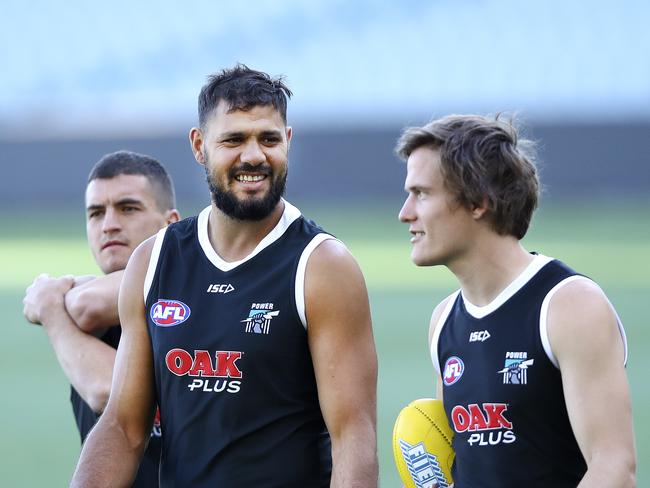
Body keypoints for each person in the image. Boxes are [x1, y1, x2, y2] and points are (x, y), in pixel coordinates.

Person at [71, 64, 378, 487]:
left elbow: (353, 438)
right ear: (199, 146)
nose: (253, 156)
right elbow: (123, 427)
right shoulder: (153, 261)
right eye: (233, 139)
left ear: (288, 142)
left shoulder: (322, 266)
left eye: (268, 139)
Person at [395, 115, 636, 487]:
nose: (404, 213)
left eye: (422, 194)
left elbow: (613, 468)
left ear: (478, 202)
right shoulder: (443, 321)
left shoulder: (568, 305)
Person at [23, 151, 181, 486]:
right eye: (96, 213)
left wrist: (53, 309)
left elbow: (108, 390)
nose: (109, 224)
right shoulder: (86, 319)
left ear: (171, 223)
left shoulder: (185, 286)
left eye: (128, 208)